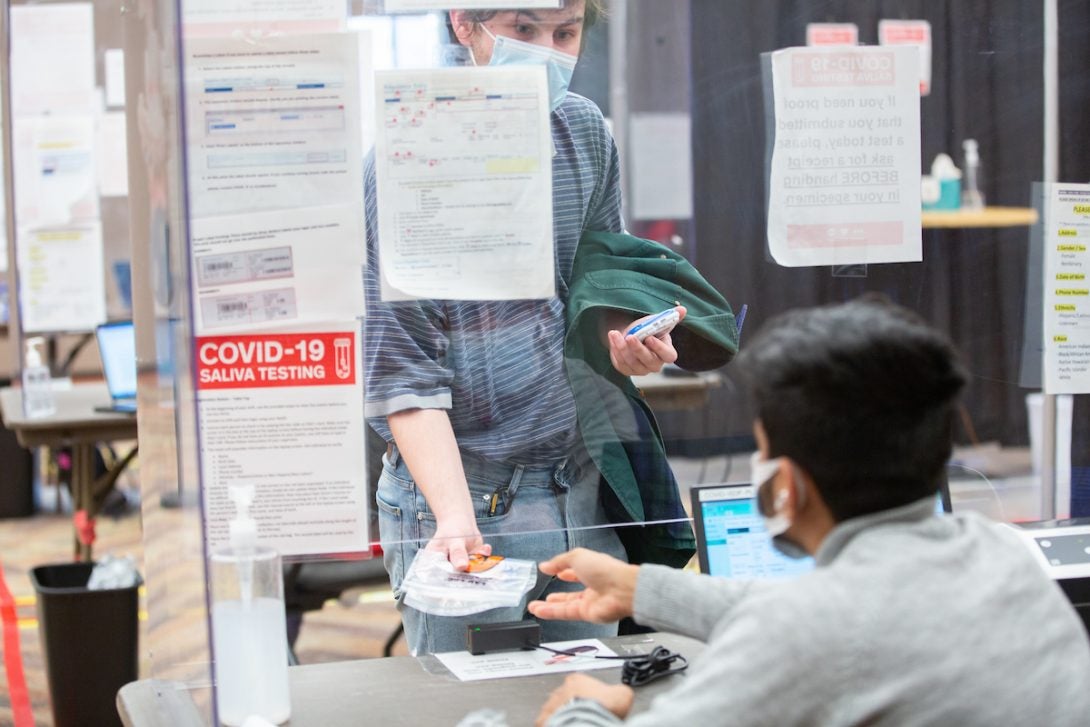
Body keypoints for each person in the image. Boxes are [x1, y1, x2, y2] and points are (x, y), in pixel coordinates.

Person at [363, 1, 737, 655]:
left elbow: (597, 292)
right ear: (463, 24)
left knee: (581, 695)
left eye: (565, 34)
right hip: (464, 495)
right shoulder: (404, 159)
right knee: (462, 707)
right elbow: (403, 372)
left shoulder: (583, 132)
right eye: (523, 30)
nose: (546, 52)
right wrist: (455, 515)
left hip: (578, 484)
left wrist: (630, 345)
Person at [527, 298, 1090, 726]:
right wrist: (641, 588)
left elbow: (803, 625)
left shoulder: (807, 633)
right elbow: (804, 613)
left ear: (788, 486)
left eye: (764, 451)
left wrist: (587, 708)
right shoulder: (1000, 556)